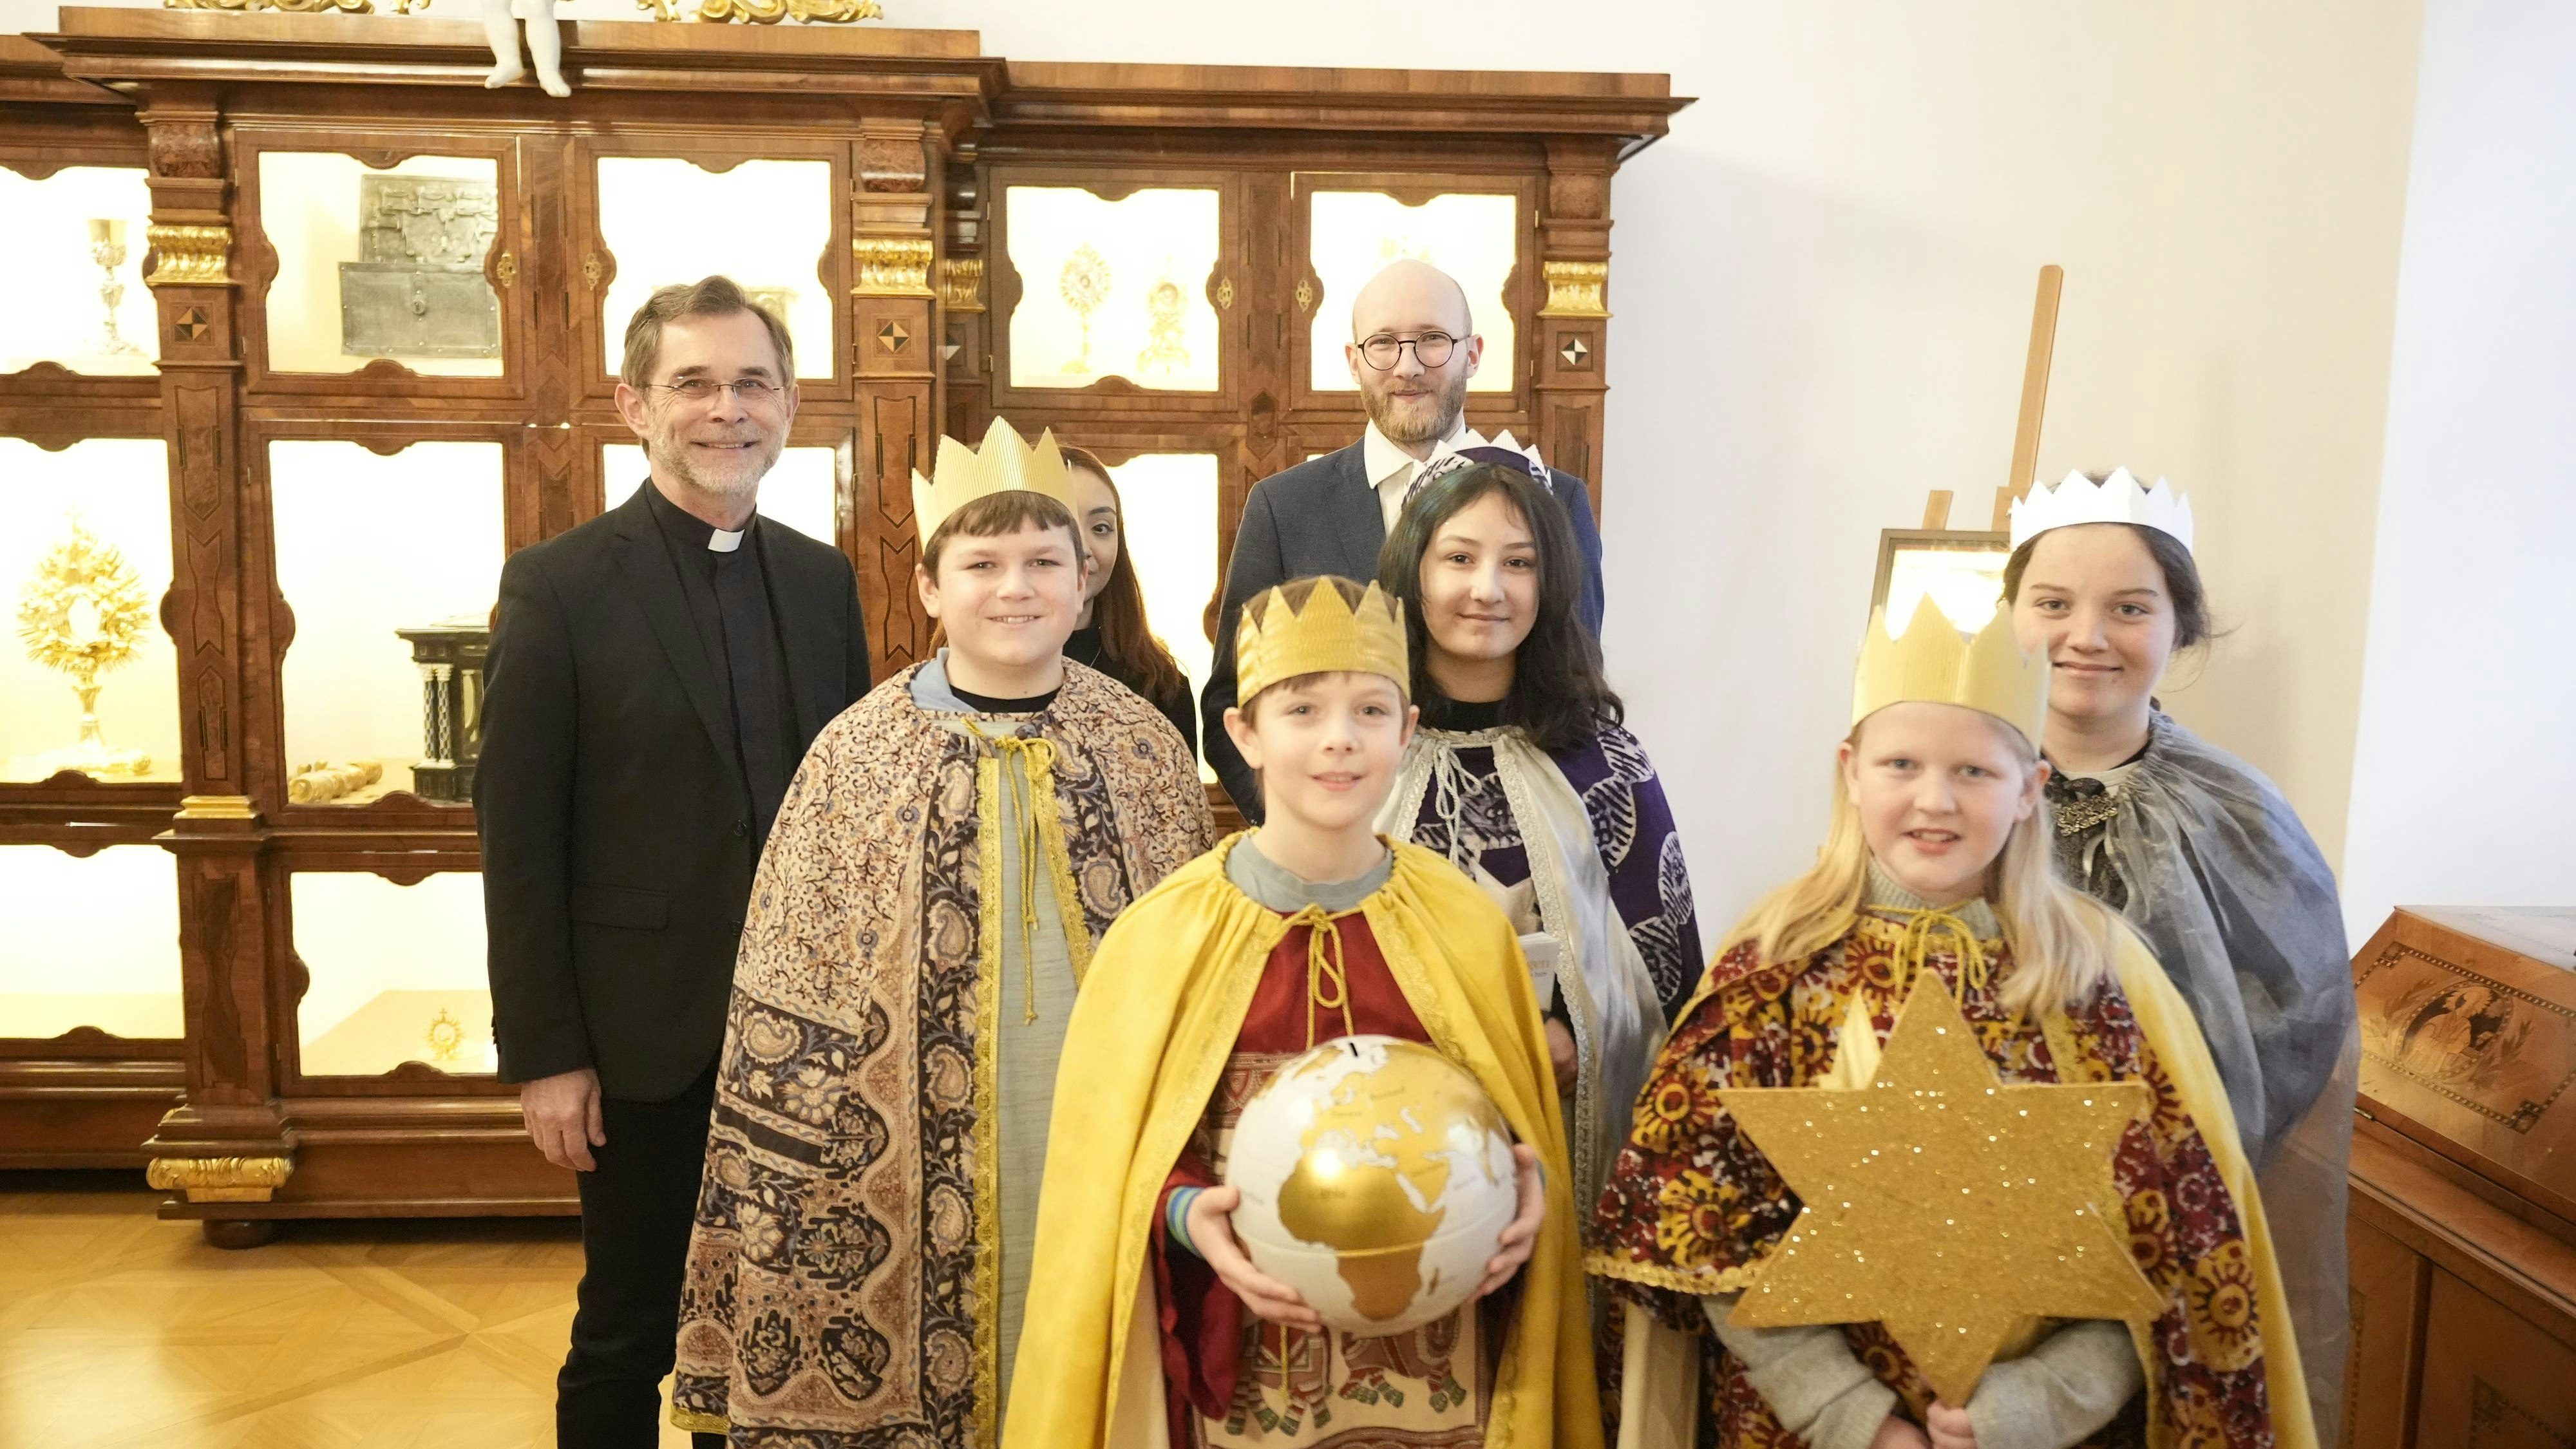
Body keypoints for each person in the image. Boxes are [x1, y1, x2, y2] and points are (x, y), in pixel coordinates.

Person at [1588, 596, 2315, 1449]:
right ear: (1851, 771)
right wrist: (1848, 1416)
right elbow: (1702, 1223)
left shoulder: (2088, 975)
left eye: (1974, 772)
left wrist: (2036, 1407)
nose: (1934, 800)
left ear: (2029, 789)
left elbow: (2169, 1247)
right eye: (1901, 764)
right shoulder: (1776, 966)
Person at [670, 417, 1215, 1444]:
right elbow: (788, 983)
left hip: (1094, 1125)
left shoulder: (1142, 744)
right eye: (982, 563)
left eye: (1044, 561)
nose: (1016, 587)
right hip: (897, 1164)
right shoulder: (856, 753)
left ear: (1084, 583)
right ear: (929, 587)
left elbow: (1194, 956)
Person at [1005, 576, 1600, 1449]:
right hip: (1244, 1357)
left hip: (1442, 1360)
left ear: (1407, 729)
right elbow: (1113, 1173)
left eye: (1370, 710)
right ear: (1244, 733)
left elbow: (1518, 1125)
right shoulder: (1162, 937)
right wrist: (1188, 1216)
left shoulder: (1465, 924)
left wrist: (1525, 1187)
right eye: (1301, 710)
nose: (1339, 739)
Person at [477, 276, 872, 1448]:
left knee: (773, 1327)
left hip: (806, 1041)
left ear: (789, 403)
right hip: (641, 1039)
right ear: (634, 404)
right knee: (630, 1327)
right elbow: (518, 838)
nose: (726, 409)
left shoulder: (823, 579)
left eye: (752, 383)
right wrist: (547, 1055)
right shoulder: (558, 585)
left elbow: (849, 807)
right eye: (693, 383)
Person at [2006, 467, 2357, 1439]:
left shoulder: (2237, 812)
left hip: (2167, 1223)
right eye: (2053, 603)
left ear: (2179, 627)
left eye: (2129, 607)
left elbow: (2293, 1021)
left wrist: (2145, 1171)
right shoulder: (1946, 788)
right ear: (2011, 618)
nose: (2086, 635)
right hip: (1968, 1206)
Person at [1372, 455, 1701, 1212]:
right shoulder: (1362, 753)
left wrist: (1577, 1036)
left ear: (1550, 582)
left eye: (1519, 563)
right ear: (1411, 572)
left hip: (1569, 1131)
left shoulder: (1608, 764)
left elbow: (1665, 978)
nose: (1489, 589)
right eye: (1459, 558)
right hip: (1394, 1134)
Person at [1201, 258, 1607, 819]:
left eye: (1433, 340)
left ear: (1473, 353)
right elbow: (1233, 697)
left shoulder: (1555, 499)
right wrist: (1309, 832)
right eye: (1384, 344)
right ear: (1354, 361)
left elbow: (1574, 683)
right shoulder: (1285, 506)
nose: (1408, 366)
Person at [1061, 443, 1198, 752]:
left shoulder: (1159, 686)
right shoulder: (960, 679)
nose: (1084, 548)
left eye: (1101, 528)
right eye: (1060, 524)